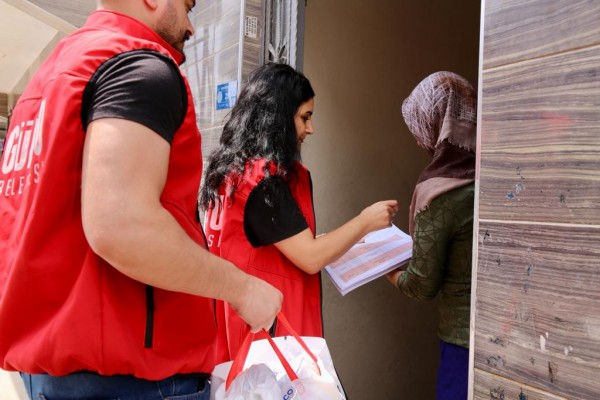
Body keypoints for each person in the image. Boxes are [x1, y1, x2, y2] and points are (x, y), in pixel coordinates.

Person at [0, 1, 282, 399]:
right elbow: (122, 225)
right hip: (130, 375)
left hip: (52, 372)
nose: (191, 28)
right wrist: (243, 289)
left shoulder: (50, 79)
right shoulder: (141, 68)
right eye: (187, 6)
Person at [200, 62, 398, 361]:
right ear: (278, 116)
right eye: (305, 117)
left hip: (240, 333)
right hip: (270, 343)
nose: (310, 129)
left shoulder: (232, 172)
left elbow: (270, 245)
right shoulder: (262, 181)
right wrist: (366, 221)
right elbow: (310, 257)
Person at [385, 71, 476, 400]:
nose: (417, 139)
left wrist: (384, 267)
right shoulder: (497, 175)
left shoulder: (440, 193)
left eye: (420, 126)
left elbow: (421, 285)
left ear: (437, 123)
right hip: (509, 331)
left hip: (462, 341)